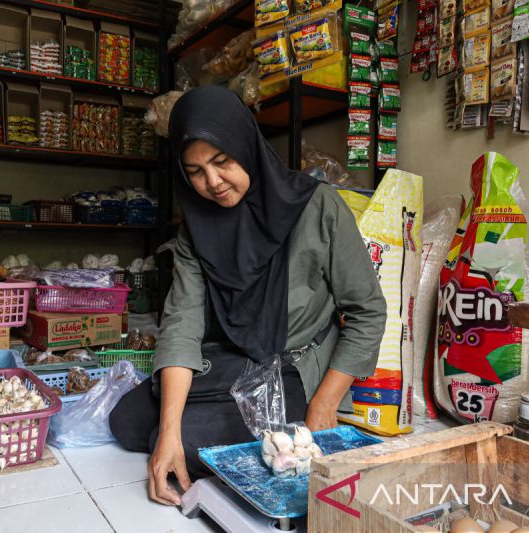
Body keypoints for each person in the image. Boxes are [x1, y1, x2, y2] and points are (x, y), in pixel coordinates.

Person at [108, 86, 387, 506]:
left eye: (221, 162)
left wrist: (325, 404)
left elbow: (367, 312)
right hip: (230, 357)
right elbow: (182, 324)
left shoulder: (317, 208)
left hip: (294, 366)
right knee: (130, 423)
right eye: (195, 171)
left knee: (189, 438)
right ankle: (191, 427)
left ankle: (253, 420)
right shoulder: (196, 230)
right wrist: (168, 432)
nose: (213, 182)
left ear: (246, 145)